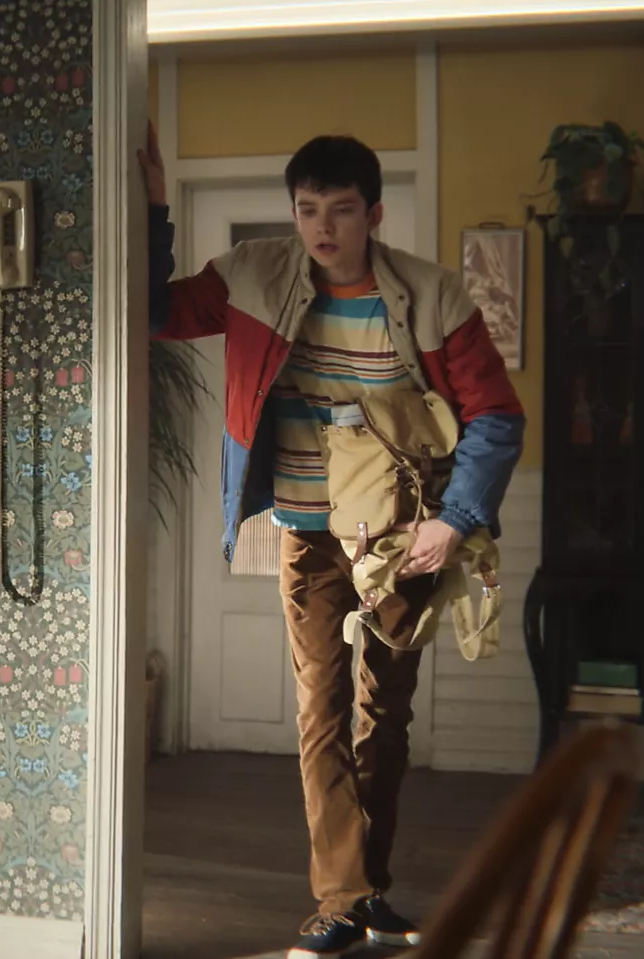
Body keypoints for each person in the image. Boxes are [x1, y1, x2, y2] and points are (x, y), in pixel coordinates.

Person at [139, 125, 524, 958]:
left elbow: (496, 416)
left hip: (399, 537)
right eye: (308, 208)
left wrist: (454, 520)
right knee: (321, 709)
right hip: (307, 533)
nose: (322, 227)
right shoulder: (253, 275)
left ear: (373, 214)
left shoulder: (433, 295)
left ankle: (368, 888)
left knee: (386, 712)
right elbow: (154, 310)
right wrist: (155, 206)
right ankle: (340, 897)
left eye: (341, 210)